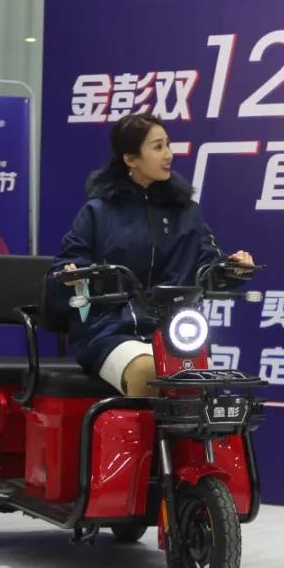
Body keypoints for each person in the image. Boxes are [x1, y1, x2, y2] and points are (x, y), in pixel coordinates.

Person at [47, 113, 254, 397]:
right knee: (147, 371)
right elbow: (64, 270)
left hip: (175, 331)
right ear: (130, 159)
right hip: (110, 330)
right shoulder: (98, 212)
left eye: (168, 144)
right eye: (158, 147)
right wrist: (71, 276)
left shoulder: (186, 211)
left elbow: (208, 264)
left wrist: (233, 269)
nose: (169, 154)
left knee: (200, 383)